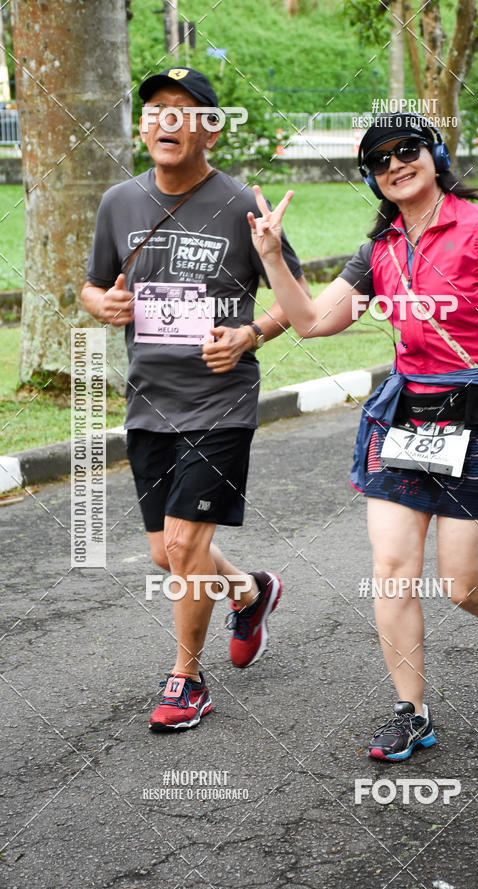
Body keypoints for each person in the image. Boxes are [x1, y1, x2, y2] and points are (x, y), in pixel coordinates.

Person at [247, 112, 478, 761]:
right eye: (379, 159)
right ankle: (412, 712)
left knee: (463, 585)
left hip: (477, 415)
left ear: (435, 154)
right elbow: (311, 321)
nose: (395, 163)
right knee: (391, 571)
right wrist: (272, 257)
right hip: (405, 417)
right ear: (373, 178)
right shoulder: (379, 251)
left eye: (407, 149)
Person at [81, 68, 310, 732]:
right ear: (144, 125)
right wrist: (106, 303)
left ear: (211, 127)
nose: (167, 121)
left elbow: (298, 297)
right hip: (149, 398)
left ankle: (187, 677)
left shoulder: (242, 203)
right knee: (166, 552)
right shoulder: (118, 202)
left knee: (184, 543)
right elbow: (91, 287)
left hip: (220, 400)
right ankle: (250, 589)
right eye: (156, 110)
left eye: (186, 112)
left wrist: (249, 334)